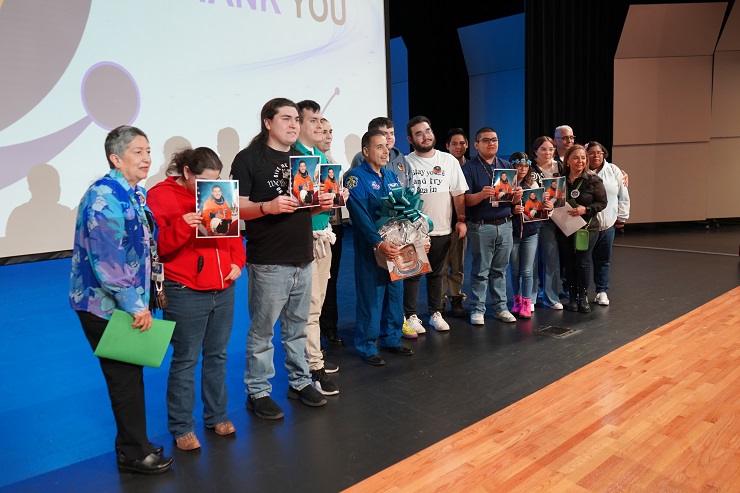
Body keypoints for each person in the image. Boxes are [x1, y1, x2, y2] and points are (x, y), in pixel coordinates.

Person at [69, 125, 173, 475]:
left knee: (129, 373)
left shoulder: (129, 192)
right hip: (106, 305)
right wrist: (136, 305)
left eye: (148, 150)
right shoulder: (104, 197)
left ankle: (134, 443)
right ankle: (133, 452)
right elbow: (108, 260)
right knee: (124, 376)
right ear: (116, 157)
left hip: (126, 301)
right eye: (138, 152)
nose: (147, 158)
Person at [230, 97, 332, 420]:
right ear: (267, 122)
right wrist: (267, 207)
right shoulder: (248, 159)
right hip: (269, 259)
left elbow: (305, 205)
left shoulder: (304, 158)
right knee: (263, 331)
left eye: (296, 120)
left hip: (303, 255)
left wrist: (322, 204)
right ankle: (257, 391)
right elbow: (235, 208)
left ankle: (300, 382)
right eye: (286, 118)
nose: (293, 125)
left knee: (298, 328)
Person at [147, 147, 245, 451]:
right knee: (186, 359)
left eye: (215, 180)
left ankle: (217, 414)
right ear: (187, 172)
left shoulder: (219, 192)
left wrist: (237, 263)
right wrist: (181, 226)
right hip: (184, 289)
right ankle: (181, 426)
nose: (209, 186)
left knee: (218, 355)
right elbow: (156, 247)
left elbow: (233, 232)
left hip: (224, 287)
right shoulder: (159, 196)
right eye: (202, 180)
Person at [344, 130, 414, 365]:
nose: (386, 151)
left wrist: (414, 236)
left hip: (396, 245)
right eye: (379, 147)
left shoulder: (392, 175)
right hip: (371, 246)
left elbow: (404, 210)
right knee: (371, 295)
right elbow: (360, 215)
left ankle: (391, 338)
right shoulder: (355, 178)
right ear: (366, 151)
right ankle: (366, 344)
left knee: (395, 293)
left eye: (387, 146)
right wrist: (378, 242)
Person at [403, 116, 468, 334]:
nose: (426, 135)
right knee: (413, 274)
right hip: (414, 233)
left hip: (442, 229)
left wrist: (460, 220)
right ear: (411, 139)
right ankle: (411, 315)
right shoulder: (404, 163)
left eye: (428, 130)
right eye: (419, 133)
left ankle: (434, 313)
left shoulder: (448, 160)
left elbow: (458, 194)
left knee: (437, 274)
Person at [292, 99, 339, 396]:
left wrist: (337, 192)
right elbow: (299, 203)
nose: (320, 126)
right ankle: (312, 366)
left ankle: (313, 357)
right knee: (308, 307)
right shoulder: (295, 156)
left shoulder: (318, 153)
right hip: (306, 237)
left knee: (317, 304)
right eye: (314, 121)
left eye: (322, 120)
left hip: (324, 233)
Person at [461, 127, 523, 324]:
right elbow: (464, 200)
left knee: (500, 270)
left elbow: (511, 202)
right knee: (480, 270)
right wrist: (481, 195)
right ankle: (477, 309)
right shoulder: (469, 168)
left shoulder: (505, 166)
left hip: (505, 224)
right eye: (486, 140)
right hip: (481, 225)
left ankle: (500, 308)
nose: (491, 143)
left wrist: (517, 197)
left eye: (494, 139)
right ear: (476, 144)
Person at [555, 144, 607, 313]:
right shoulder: (559, 179)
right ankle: (571, 296)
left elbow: (602, 203)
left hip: (587, 227)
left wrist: (586, 209)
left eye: (583, 157)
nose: (580, 161)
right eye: (576, 157)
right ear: (567, 160)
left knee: (583, 262)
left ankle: (583, 296)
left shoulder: (593, 180)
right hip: (565, 226)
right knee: (568, 262)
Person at [586, 141, 630, 306]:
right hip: (587, 226)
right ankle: (580, 291)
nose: (596, 156)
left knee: (603, 260)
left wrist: (622, 217)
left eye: (599, 152)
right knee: (583, 261)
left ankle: (601, 291)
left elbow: (623, 194)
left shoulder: (613, 170)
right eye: (592, 153)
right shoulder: (582, 172)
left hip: (608, 225)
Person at [509, 153, 552, 319]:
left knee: (527, 270)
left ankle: (527, 302)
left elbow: (540, 209)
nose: (522, 169)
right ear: (512, 166)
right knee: (514, 271)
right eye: (519, 166)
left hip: (530, 232)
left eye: (525, 166)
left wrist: (547, 207)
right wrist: (513, 210)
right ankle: (517, 300)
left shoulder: (532, 184)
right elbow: (498, 205)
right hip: (512, 233)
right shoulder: (505, 184)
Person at [317, 117, 345, 346]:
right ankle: (316, 334)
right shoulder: (306, 162)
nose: (328, 136)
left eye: (330, 131)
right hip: (316, 228)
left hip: (335, 226)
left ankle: (330, 328)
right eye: (323, 131)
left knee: (331, 280)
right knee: (316, 284)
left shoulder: (332, 160)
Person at [530, 136, 564, 310]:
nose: (548, 152)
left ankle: (550, 296)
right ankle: (531, 297)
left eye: (551, 149)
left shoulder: (561, 167)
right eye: (543, 149)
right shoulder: (528, 169)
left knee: (550, 258)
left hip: (554, 220)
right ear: (535, 151)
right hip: (533, 219)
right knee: (532, 260)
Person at [442, 128, 470, 317]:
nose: (459, 147)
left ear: (467, 145)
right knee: (441, 266)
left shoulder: (472, 167)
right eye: (454, 144)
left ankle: (456, 297)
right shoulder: (441, 166)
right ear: (447, 146)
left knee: (458, 264)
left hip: (461, 224)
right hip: (442, 223)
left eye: (462, 143)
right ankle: (440, 300)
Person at [350, 116, 414, 188]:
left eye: (392, 133)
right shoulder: (361, 157)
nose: (390, 137)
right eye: (385, 134)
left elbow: (410, 187)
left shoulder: (401, 158)